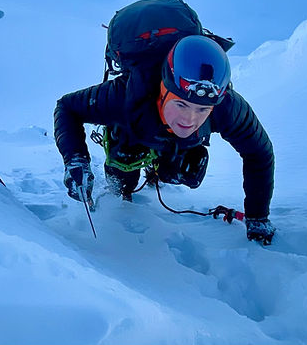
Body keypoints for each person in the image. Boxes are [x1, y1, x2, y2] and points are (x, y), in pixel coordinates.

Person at [54, 33, 277, 245]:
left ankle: (158, 171)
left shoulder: (227, 107)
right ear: (163, 89)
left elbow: (259, 153)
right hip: (133, 132)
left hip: (175, 142)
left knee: (187, 171)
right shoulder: (125, 95)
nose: (190, 119)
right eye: (181, 104)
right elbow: (67, 107)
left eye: (203, 110)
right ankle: (120, 186)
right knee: (123, 180)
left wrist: (258, 217)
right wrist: (76, 159)